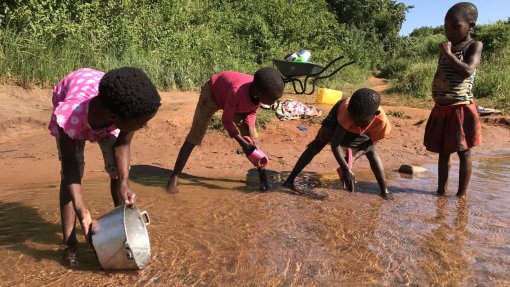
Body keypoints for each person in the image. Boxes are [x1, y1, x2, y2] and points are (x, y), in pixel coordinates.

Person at [48, 67, 161, 267]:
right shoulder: (72, 118)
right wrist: (81, 207)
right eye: (141, 123)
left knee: (117, 172)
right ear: (115, 118)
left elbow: (123, 144)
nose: (144, 127)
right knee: (72, 178)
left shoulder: (126, 107)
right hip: (77, 111)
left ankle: (120, 230)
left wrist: (124, 183)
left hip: (103, 105)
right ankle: (69, 243)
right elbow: (69, 163)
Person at [166, 67, 284, 193]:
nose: (273, 103)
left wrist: (250, 133)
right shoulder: (237, 91)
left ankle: (263, 181)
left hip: (233, 101)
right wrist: (243, 144)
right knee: (194, 136)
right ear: (258, 92)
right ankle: (174, 177)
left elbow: (252, 112)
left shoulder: (259, 93)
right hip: (212, 94)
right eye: (272, 99)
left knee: (253, 140)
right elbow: (226, 121)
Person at [283, 88, 392, 199]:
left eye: (361, 122)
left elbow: (371, 145)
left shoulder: (382, 123)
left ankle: (385, 191)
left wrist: (351, 159)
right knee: (319, 142)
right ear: (350, 110)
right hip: (338, 118)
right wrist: (346, 169)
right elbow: (335, 144)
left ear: (376, 114)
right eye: (353, 120)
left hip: (361, 133)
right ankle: (290, 180)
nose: (356, 124)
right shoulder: (346, 111)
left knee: (372, 152)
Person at [424, 2, 483, 197]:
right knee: (443, 151)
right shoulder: (447, 48)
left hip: (460, 108)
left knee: (463, 151)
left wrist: (448, 53)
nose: (449, 31)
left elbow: (467, 70)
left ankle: (461, 196)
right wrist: (447, 52)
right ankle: (441, 191)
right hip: (442, 108)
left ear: (471, 26)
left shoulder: (474, 45)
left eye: (455, 26)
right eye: (446, 26)